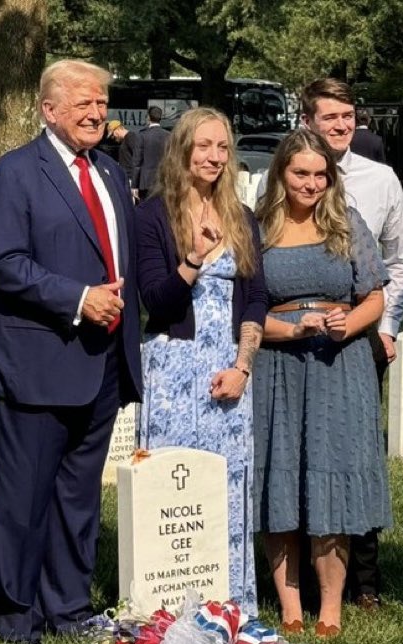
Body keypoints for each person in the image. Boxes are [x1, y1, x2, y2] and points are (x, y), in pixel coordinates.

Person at [0, 59, 142, 644]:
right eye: (83, 105)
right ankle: (17, 615)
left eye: (102, 103)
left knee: (78, 495)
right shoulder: (14, 173)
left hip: (103, 362)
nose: (97, 114)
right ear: (49, 111)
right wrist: (78, 298)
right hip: (38, 362)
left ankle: (68, 607)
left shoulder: (110, 173)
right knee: (25, 497)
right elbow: (6, 264)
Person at [253, 128, 390, 637]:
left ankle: (331, 605)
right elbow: (243, 311)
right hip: (278, 367)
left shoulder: (347, 224)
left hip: (340, 364)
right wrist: (290, 328)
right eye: (300, 173)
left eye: (319, 174)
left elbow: (373, 296)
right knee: (282, 478)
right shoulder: (258, 227)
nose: (310, 184)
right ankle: (289, 604)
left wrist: (348, 324)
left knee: (333, 475)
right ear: (281, 174)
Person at [135, 107, 266, 615]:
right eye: (204, 146)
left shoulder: (241, 216)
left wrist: (243, 366)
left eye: (223, 147)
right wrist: (190, 260)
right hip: (171, 370)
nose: (214, 157)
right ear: (183, 150)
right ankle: (163, 606)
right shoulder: (152, 217)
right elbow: (156, 302)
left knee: (226, 488)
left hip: (228, 370)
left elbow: (256, 298)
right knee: (172, 487)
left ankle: (228, 602)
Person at [299, 78, 403, 610]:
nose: (342, 125)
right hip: (298, 341)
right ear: (308, 121)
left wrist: (386, 325)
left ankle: (364, 580)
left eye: (348, 116)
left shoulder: (380, 179)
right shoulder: (285, 177)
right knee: (305, 448)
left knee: (357, 452)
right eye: (330, 117)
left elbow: (402, 257)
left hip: (364, 337)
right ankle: (303, 573)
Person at [132, 106, 169, 200]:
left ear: (148, 117)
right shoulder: (169, 136)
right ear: (161, 118)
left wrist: (134, 185)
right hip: (163, 181)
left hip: (145, 182)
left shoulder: (142, 135)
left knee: (145, 211)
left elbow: (137, 162)